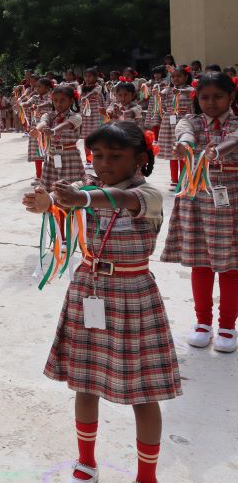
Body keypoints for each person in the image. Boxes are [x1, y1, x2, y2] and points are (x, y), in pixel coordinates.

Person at [23, 121, 179, 483]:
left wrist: (81, 199)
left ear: (140, 159)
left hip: (133, 296)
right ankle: (86, 461)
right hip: (89, 289)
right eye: (97, 155)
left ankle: (147, 476)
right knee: (86, 382)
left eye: (115, 156)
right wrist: (48, 203)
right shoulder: (86, 187)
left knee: (144, 393)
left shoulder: (149, 194)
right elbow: (67, 201)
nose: (104, 163)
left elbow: (120, 200)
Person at [161, 72, 238, 353]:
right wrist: (184, 145)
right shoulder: (190, 121)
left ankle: (228, 325)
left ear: (231, 96)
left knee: (231, 265)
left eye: (218, 96)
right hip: (197, 200)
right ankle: (203, 322)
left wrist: (216, 152)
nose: (211, 102)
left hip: (232, 200)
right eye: (205, 97)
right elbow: (185, 134)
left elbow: (235, 139)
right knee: (201, 262)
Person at [33, 84, 86, 189]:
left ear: (71, 101)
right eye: (55, 100)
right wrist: (37, 129)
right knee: (50, 187)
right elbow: (43, 122)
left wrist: (53, 131)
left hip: (69, 155)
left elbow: (67, 124)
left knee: (70, 187)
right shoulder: (49, 115)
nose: (58, 104)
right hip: (52, 155)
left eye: (62, 100)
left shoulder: (76, 117)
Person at [156, 65, 195, 188]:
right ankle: (174, 179)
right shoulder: (169, 89)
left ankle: (183, 178)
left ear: (186, 77)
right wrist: (160, 92)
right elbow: (162, 93)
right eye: (173, 77)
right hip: (169, 123)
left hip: (184, 121)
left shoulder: (189, 89)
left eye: (179, 76)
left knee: (182, 150)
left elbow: (191, 92)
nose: (175, 79)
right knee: (172, 152)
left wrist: (179, 91)